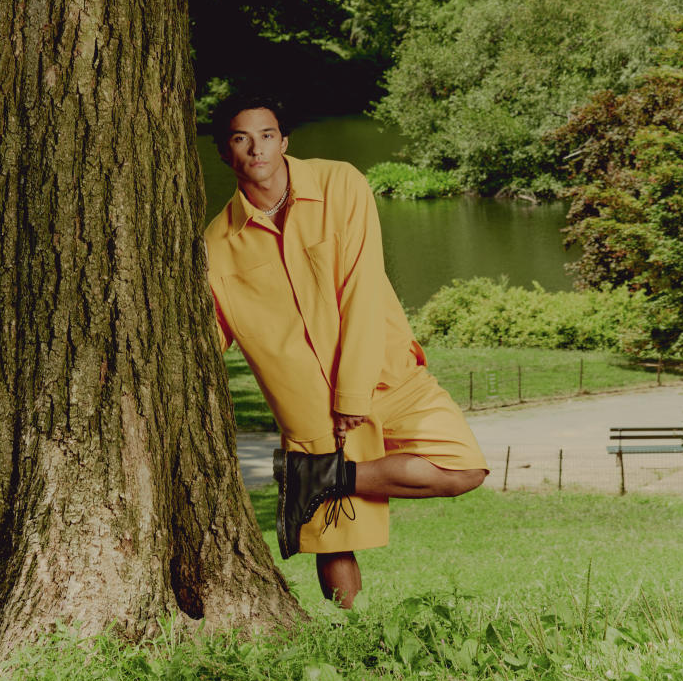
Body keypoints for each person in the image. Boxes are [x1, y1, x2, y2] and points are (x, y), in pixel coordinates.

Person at [203, 91, 488, 607]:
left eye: (267, 136)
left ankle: (324, 477)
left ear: (284, 141)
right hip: (307, 404)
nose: (257, 149)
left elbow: (360, 286)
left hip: (385, 372)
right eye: (241, 139)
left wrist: (352, 396)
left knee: (464, 468)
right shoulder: (216, 246)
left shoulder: (341, 183)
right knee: (332, 536)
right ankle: (348, 634)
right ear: (226, 153)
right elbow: (206, 340)